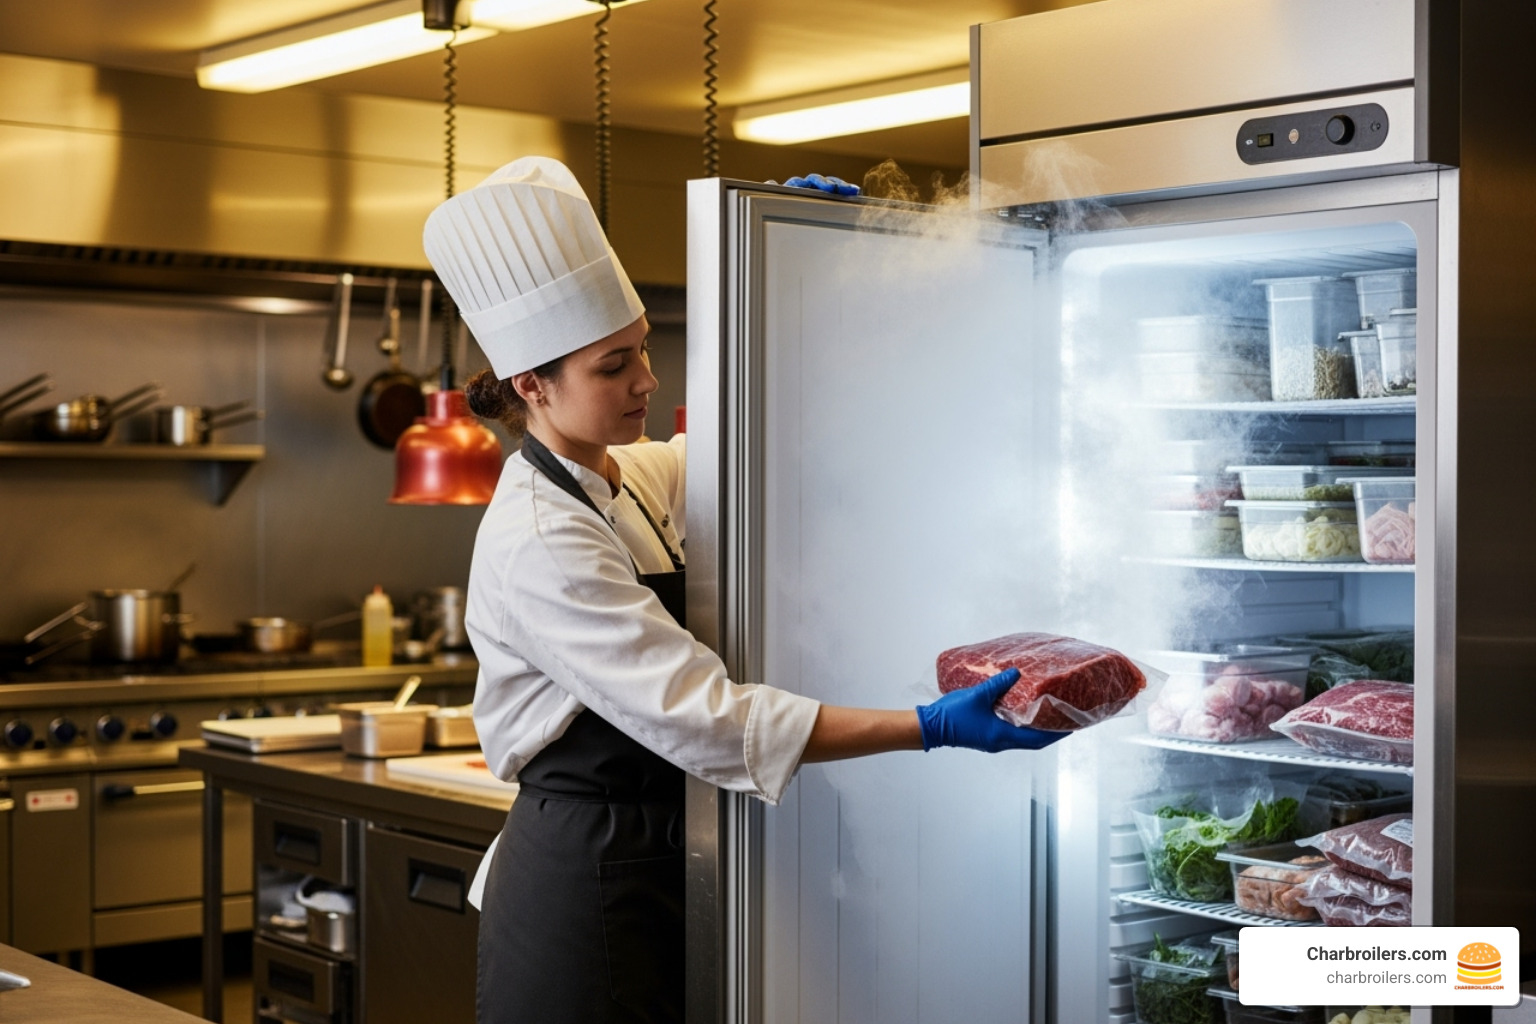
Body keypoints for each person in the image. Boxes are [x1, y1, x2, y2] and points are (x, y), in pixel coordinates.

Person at [422, 157, 1063, 1024]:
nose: (647, 380)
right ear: (533, 386)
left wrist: (805, 272)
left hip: (657, 848)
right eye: (615, 366)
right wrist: (926, 727)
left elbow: (757, 441)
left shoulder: (628, 479)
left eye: (644, 350)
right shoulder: (540, 537)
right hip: (583, 875)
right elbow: (706, 716)